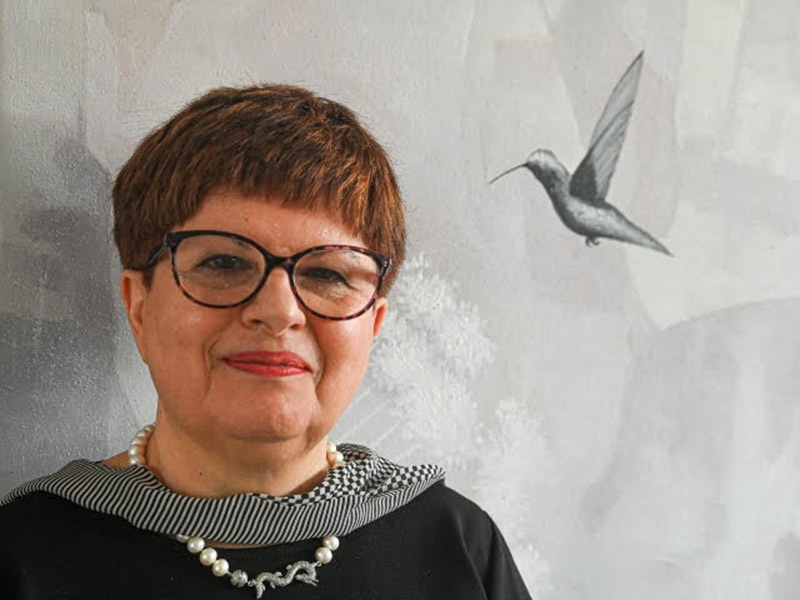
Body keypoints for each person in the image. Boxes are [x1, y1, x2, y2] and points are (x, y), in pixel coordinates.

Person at [0, 84, 532, 599]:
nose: (279, 311)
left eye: (327, 274)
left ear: (372, 325)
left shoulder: (461, 550)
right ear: (139, 307)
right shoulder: (21, 556)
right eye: (223, 263)